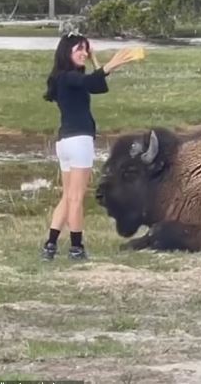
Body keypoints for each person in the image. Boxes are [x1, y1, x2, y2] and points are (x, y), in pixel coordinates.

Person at [41, 32, 137, 261]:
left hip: (65, 143)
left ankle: (50, 246)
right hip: (79, 142)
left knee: (68, 197)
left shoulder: (65, 79)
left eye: (86, 49)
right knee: (76, 198)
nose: (83, 53)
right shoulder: (69, 78)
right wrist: (110, 65)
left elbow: (98, 87)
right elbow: (91, 81)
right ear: (67, 53)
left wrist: (96, 61)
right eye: (79, 50)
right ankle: (76, 249)